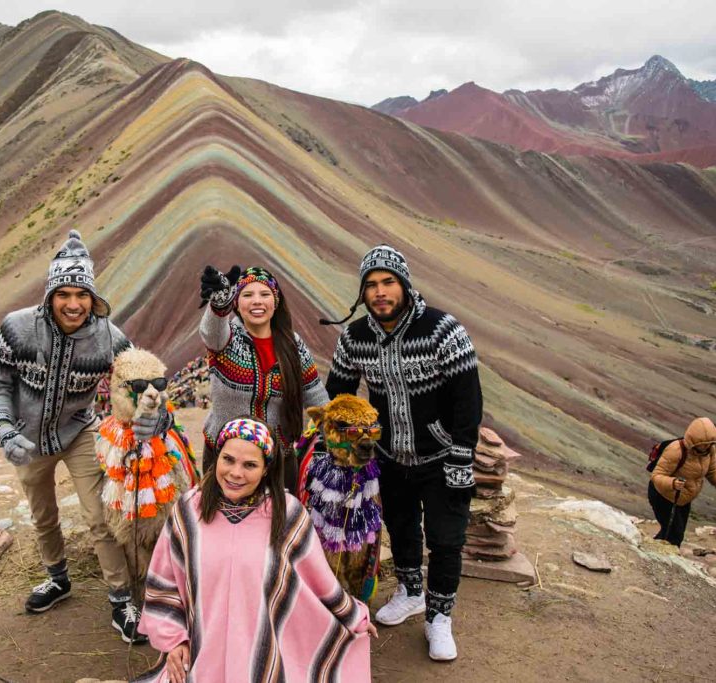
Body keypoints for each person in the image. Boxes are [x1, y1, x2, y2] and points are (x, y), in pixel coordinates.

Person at [0, 229, 165, 642]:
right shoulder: (15, 328)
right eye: (63, 293)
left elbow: (143, 382)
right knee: (43, 515)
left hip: (80, 431)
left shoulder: (111, 338)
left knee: (99, 515)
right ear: (49, 296)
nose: (73, 303)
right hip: (25, 440)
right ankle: (57, 579)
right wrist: (5, 429)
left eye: (81, 294)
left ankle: (121, 600)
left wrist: (155, 418)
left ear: (93, 299)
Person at [323, 243, 482, 661]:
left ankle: (439, 617)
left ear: (405, 285)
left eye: (388, 282)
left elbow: (469, 399)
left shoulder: (443, 330)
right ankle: (411, 591)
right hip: (388, 456)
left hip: (443, 456)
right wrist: (345, 442)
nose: (380, 292)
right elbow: (338, 393)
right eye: (371, 285)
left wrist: (463, 453)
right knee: (401, 526)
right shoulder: (354, 337)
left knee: (446, 540)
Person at [137, 418, 376, 682]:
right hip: (201, 655)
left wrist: (354, 617)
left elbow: (319, 582)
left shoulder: (287, 514)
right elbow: (164, 583)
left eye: (250, 465)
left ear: (265, 470)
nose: (236, 473)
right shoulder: (188, 512)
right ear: (217, 459)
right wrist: (174, 642)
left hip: (265, 658)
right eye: (228, 460)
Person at [198, 265, 329, 489]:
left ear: (275, 302)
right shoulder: (226, 340)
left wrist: (340, 438)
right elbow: (211, 332)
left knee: (278, 521)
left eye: (265, 294)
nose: (257, 301)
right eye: (247, 295)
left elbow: (315, 395)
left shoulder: (293, 345)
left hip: (278, 459)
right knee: (222, 521)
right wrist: (219, 304)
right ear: (236, 303)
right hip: (226, 458)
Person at [649, 416, 716, 546]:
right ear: (694, 441)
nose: (707, 446)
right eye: (704, 444)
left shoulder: (709, 451)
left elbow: (713, 472)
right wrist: (673, 483)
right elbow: (657, 476)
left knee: (673, 533)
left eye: (710, 443)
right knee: (675, 535)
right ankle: (662, 559)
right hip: (662, 495)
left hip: (683, 497)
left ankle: (655, 553)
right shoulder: (676, 450)